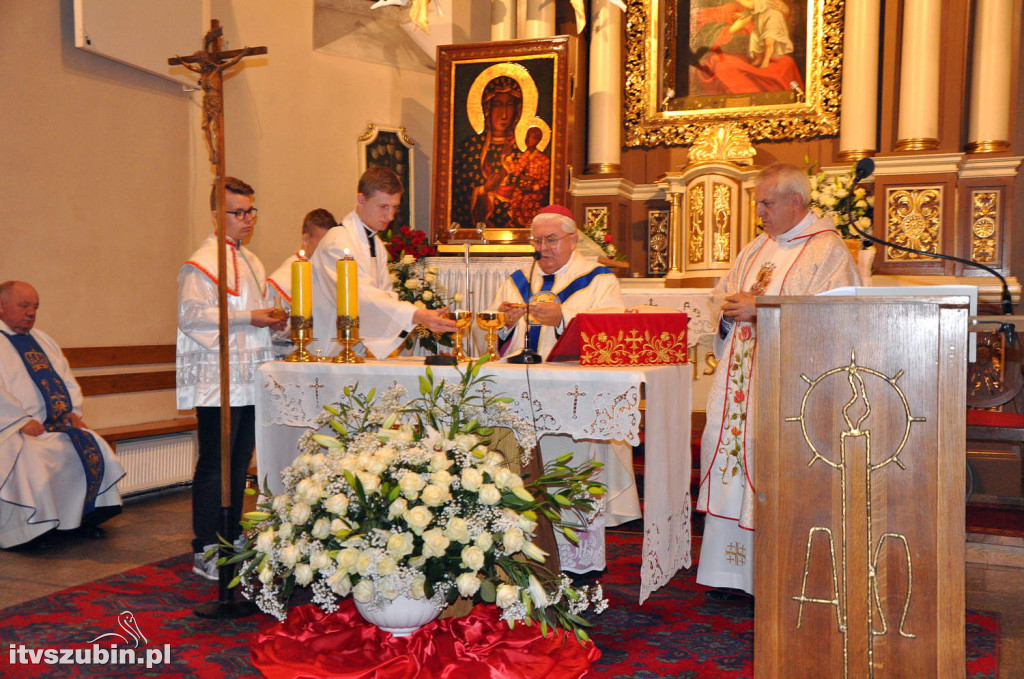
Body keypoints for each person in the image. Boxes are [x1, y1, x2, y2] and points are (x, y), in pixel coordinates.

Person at [695, 162, 860, 598]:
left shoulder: (828, 252)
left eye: (767, 203)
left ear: (796, 201)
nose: (760, 213)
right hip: (739, 381)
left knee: (771, 465)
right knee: (733, 455)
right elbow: (725, 296)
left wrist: (763, 309)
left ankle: (775, 576)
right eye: (758, 203)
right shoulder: (754, 249)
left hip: (787, 390)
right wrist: (730, 313)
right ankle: (729, 574)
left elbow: (839, 321)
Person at [176, 177, 285, 580]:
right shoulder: (202, 264)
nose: (247, 219)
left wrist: (272, 322)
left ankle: (230, 534)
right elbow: (192, 318)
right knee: (215, 463)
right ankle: (205, 545)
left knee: (240, 461)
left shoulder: (251, 261)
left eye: (250, 210)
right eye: (237, 212)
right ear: (215, 215)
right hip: (217, 378)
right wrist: (249, 318)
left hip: (247, 377)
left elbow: (256, 312)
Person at [0, 281, 125, 549]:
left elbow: (66, 378)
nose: (31, 313)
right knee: (32, 457)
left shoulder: (43, 340)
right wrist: (19, 421)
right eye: (24, 306)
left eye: (35, 307)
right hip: (10, 428)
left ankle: (78, 520)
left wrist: (72, 411)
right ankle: (27, 531)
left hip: (51, 426)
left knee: (89, 442)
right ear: (1, 306)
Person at [311, 166, 455, 359]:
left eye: (394, 207)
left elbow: (384, 295)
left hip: (357, 350)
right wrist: (415, 315)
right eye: (383, 207)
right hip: (329, 349)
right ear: (361, 199)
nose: (390, 216)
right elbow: (360, 297)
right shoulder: (337, 243)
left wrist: (410, 314)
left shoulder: (375, 242)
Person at [490, 204, 625, 359]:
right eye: (537, 241)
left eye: (551, 240)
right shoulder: (517, 281)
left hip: (574, 374)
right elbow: (483, 332)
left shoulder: (599, 279)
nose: (543, 247)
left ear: (573, 241)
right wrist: (505, 324)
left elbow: (613, 330)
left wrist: (563, 319)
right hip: (518, 374)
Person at [451, 76, 525, 230]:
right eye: (498, 105)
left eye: (509, 105)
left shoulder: (521, 151)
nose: (504, 114)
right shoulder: (469, 147)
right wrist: (483, 189)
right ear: (487, 108)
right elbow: (458, 195)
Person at [267, 208, 339, 305]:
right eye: (322, 243)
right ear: (305, 239)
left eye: (330, 243)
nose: (326, 249)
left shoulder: (333, 272)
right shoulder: (283, 280)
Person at [504, 125, 551, 228]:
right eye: (527, 136)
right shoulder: (525, 155)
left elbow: (545, 180)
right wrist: (508, 156)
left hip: (535, 192)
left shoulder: (544, 159)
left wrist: (532, 188)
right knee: (515, 202)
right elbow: (516, 171)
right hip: (523, 189)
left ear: (538, 140)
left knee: (527, 204)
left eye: (532, 137)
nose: (528, 139)